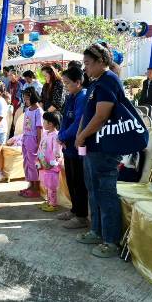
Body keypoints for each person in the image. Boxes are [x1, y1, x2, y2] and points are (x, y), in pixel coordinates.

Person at [74, 43, 124, 258]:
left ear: (101, 62)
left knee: (105, 193)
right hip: (92, 146)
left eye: (87, 63)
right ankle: (96, 231)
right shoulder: (96, 82)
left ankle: (111, 241)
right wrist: (80, 134)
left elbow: (102, 116)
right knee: (93, 190)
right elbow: (88, 113)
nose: (85, 68)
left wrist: (82, 135)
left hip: (105, 148)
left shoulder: (108, 80)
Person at [56, 67, 90, 228]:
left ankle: (82, 216)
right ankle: (74, 209)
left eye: (67, 83)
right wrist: (60, 135)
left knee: (79, 181)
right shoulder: (71, 96)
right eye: (64, 83)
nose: (65, 86)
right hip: (67, 145)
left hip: (77, 146)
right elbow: (64, 120)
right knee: (70, 179)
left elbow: (78, 123)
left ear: (78, 82)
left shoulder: (83, 97)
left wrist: (63, 136)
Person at [19, 87, 43, 198]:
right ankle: (30, 185)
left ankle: (36, 188)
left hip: (33, 139)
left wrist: (39, 143)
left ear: (33, 97)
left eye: (27, 98)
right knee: (27, 163)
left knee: (34, 164)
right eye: (24, 98)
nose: (25, 100)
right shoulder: (28, 109)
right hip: (26, 138)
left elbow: (39, 128)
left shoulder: (39, 111)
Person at [37, 111, 63, 212]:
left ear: (51, 124)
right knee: (47, 184)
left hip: (51, 166)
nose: (43, 123)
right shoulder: (46, 133)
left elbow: (57, 152)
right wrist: (39, 159)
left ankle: (53, 204)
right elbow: (41, 147)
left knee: (52, 186)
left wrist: (53, 163)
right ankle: (49, 201)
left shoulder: (56, 136)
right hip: (44, 164)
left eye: (44, 121)